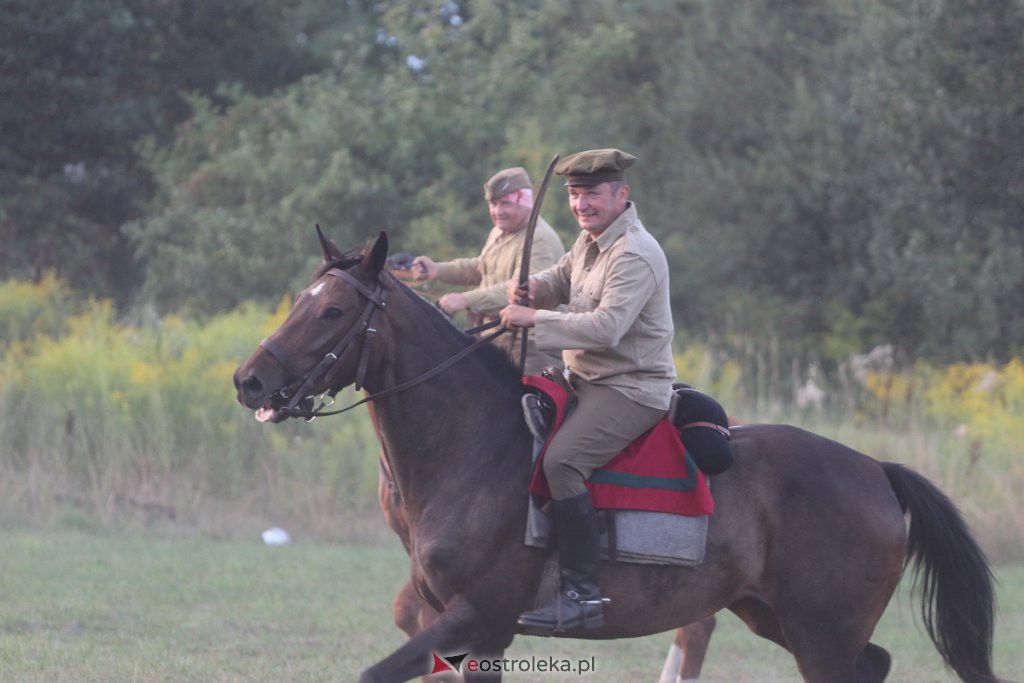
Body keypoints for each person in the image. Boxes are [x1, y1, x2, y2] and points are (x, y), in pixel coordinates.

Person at [500, 148, 676, 633]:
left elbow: (606, 328)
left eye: (592, 193)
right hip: (583, 380)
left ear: (622, 194)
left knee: (562, 462)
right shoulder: (589, 239)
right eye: (575, 195)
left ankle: (582, 597)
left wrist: (534, 318)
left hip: (631, 389)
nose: (581, 204)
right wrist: (532, 289)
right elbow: (560, 278)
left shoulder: (635, 253)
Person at [410, 166, 565, 374]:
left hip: (530, 347)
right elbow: (482, 267)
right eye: (493, 204)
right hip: (495, 339)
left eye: (505, 203)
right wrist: (437, 270)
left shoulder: (538, 239)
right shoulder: (501, 231)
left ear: (525, 202)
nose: (497, 211)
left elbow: (523, 291)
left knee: (522, 405)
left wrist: (466, 299)